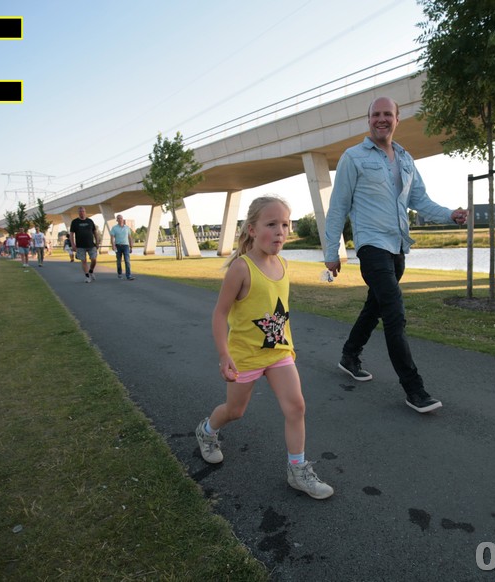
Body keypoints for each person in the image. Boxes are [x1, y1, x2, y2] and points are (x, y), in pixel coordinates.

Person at [323, 96, 468, 414]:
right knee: (394, 313)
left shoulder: (405, 158)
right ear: (368, 120)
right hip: (371, 246)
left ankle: (350, 354)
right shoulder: (353, 157)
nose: (381, 119)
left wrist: (449, 214)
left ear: (397, 119)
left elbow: (421, 200)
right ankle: (414, 389)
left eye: (387, 114)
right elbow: (338, 208)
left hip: (398, 247)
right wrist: (331, 252)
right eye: (376, 114)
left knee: (374, 307)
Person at [195, 196, 333, 500]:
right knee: (235, 411)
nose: (280, 231)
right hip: (245, 356)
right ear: (252, 229)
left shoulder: (283, 263)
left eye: (285, 224)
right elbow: (220, 313)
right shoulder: (241, 268)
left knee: (296, 406)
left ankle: (297, 470)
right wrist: (224, 355)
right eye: (271, 224)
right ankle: (207, 431)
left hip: (279, 353)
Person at [69, 206, 99, 283]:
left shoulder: (90, 221)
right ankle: (87, 276)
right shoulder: (75, 222)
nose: (82, 213)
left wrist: (97, 242)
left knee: (94, 259)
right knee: (84, 261)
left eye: (83, 211)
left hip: (91, 245)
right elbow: (71, 234)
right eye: (80, 211)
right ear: (78, 213)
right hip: (80, 246)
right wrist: (73, 244)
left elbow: (95, 232)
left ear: (85, 212)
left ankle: (91, 271)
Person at [110, 214, 135, 280]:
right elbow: (112, 237)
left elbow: (130, 237)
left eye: (121, 218)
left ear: (122, 219)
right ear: (117, 220)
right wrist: (113, 245)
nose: (120, 219)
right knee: (119, 261)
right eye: (118, 218)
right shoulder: (114, 228)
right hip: (118, 246)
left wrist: (131, 247)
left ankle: (128, 275)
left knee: (127, 261)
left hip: (126, 246)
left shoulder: (127, 228)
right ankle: (120, 274)